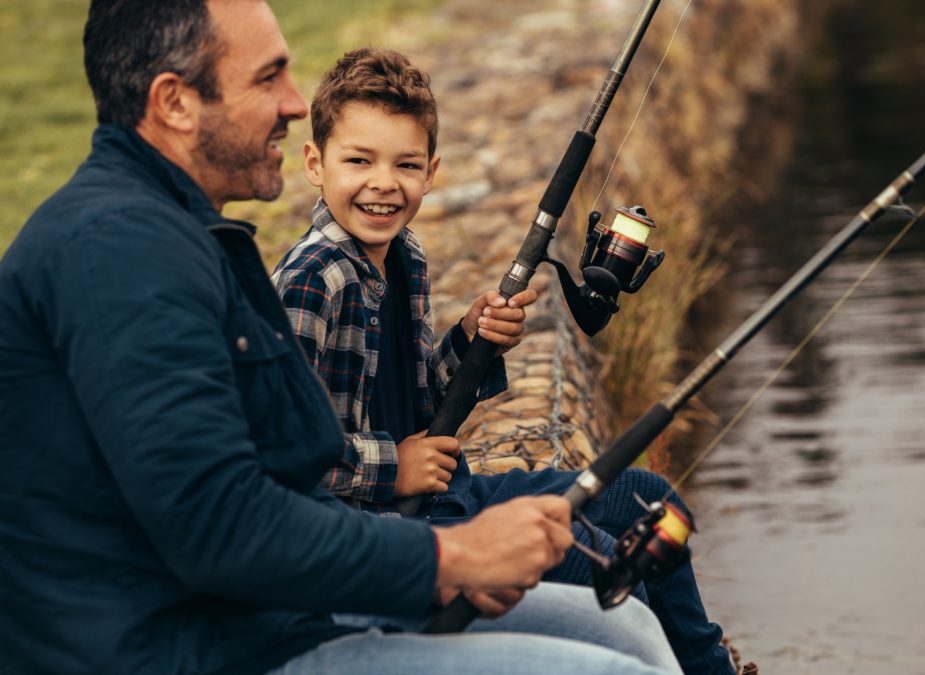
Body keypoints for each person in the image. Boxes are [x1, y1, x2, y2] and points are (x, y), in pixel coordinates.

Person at [0, 2, 683, 674]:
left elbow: (275, 473)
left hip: (270, 611)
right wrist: (451, 557)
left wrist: (436, 551)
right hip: (196, 645)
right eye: (269, 78)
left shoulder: (178, 235)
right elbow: (220, 522)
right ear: (175, 101)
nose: (296, 103)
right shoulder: (120, 254)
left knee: (624, 624)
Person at [272, 47, 737, 675]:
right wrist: (395, 467)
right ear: (314, 164)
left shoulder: (403, 253)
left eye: (406, 164)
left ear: (432, 171)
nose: (384, 183)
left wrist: (469, 340)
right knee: (590, 554)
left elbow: (419, 401)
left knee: (651, 502)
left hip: (446, 496)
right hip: (381, 535)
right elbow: (285, 456)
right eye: (359, 160)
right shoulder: (311, 282)